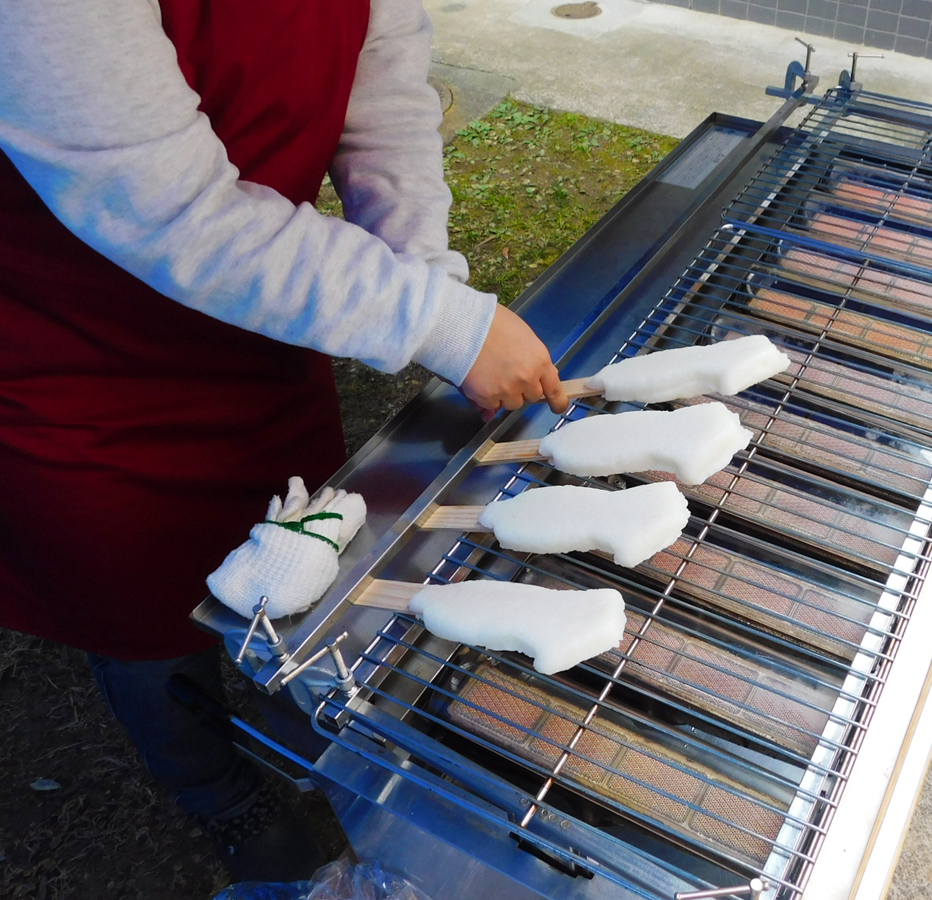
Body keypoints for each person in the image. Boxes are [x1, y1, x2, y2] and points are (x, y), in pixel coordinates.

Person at [0, 0, 568, 883]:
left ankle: (319, 724)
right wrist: (440, 323)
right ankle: (220, 792)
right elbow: (167, 208)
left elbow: (381, 80)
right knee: (138, 609)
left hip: (268, 307)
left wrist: (419, 277)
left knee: (302, 552)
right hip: (77, 356)